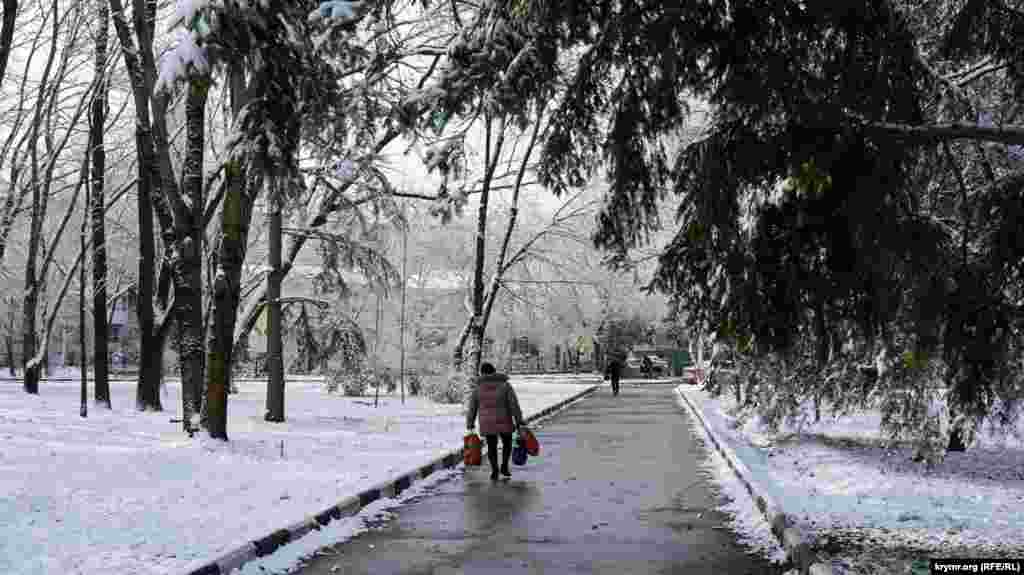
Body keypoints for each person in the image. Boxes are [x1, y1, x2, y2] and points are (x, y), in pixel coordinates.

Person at [466, 362, 524, 481]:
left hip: (487, 423)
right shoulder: (505, 385)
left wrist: (470, 422)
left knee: (491, 447)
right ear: (494, 371)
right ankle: (504, 466)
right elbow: (514, 404)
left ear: (482, 373)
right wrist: (518, 420)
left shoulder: (478, 388)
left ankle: (494, 470)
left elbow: (472, 407)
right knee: (507, 444)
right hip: (504, 420)